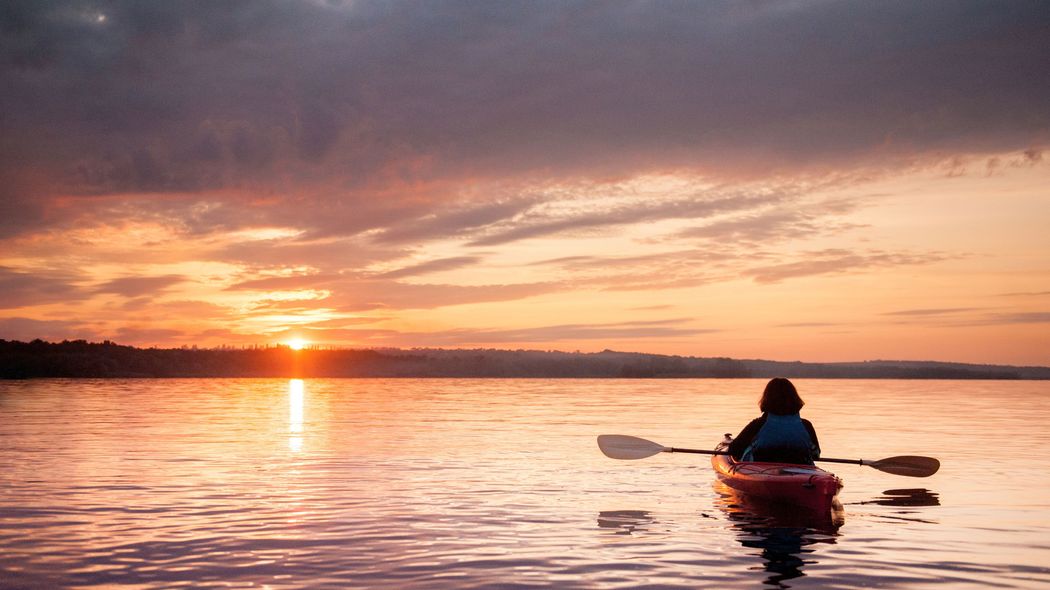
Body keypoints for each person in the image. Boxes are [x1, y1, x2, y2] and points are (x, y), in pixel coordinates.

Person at [727, 377, 820, 465]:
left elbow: (733, 450)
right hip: (802, 470)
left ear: (767, 399)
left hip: (762, 471)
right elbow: (816, 454)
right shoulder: (806, 425)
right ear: (795, 399)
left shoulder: (758, 425)